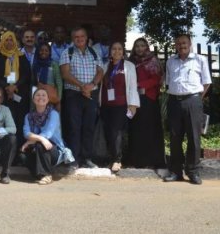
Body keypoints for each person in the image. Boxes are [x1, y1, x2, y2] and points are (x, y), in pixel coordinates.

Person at [164, 34, 211, 185]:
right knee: (175, 137)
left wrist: (196, 98)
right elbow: (168, 82)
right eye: (178, 43)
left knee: (194, 138)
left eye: (184, 42)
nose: (181, 45)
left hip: (193, 101)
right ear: (175, 45)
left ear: (190, 43)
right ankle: (176, 172)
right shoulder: (171, 61)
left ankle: (193, 172)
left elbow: (206, 83)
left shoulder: (200, 60)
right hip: (174, 102)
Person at [60, 26, 103, 169]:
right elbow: (65, 74)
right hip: (73, 94)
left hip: (91, 93)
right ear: (73, 39)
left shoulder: (94, 52)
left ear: (86, 38)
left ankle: (87, 158)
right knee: (74, 127)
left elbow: (100, 71)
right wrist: (82, 86)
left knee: (88, 127)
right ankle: (74, 159)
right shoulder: (68, 52)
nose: (79, 39)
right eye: (76, 37)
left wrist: (91, 85)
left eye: (82, 36)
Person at [0, 31, 31, 148]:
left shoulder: (21, 56)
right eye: (6, 40)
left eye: (11, 40)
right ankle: (4, 149)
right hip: (3, 95)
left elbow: (26, 75)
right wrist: (6, 87)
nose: (9, 42)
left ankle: (19, 150)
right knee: (3, 122)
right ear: (2, 41)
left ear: (15, 42)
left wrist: (15, 86)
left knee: (19, 122)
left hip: (19, 95)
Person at [100, 42, 139, 173]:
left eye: (119, 49)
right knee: (107, 132)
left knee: (117, 133)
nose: (116, 51)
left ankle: (117, 159)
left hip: (121, 105)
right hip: (105, 105)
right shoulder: (105, 66)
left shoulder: (129, 66)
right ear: (110, 51)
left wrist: (133, 104)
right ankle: (110, 157)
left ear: (123, 51)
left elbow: (133, 86)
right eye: (114, 49)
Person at [21, 88, 74, 185]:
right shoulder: (28, 116)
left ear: (48, 100)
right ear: (33, 100)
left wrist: (32, 140)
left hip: (54, 150)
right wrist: (39, 138)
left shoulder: (54, 114)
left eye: (43, 95)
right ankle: (38, 174)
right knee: (22, 154)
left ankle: (47, 175)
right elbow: (26, 133)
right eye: (37, 95)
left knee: (41, 145)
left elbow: (48, 133)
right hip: (38, 146)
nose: (40, 97)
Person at [128, 38, 166, 169]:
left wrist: (138, 84)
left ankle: (151, 160)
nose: (139, 48)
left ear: (146, 47)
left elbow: (156, 79)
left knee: (149, 130)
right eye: (137, 46)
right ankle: (136, 160)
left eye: (142, 45)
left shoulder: (152, 61)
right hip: (133, 99)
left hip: (148, 99)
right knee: (136, 130)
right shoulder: (130, 61)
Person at [32, 43, 63, 112]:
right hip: (39, 98)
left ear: (49, 52)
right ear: (38, 51)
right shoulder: (35, 65)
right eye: (41, 50)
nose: (44, 52)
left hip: (51, 98)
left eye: (46, 50)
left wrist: (59, 100)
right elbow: (33, 83)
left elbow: (59, 82)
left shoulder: (54, 64)